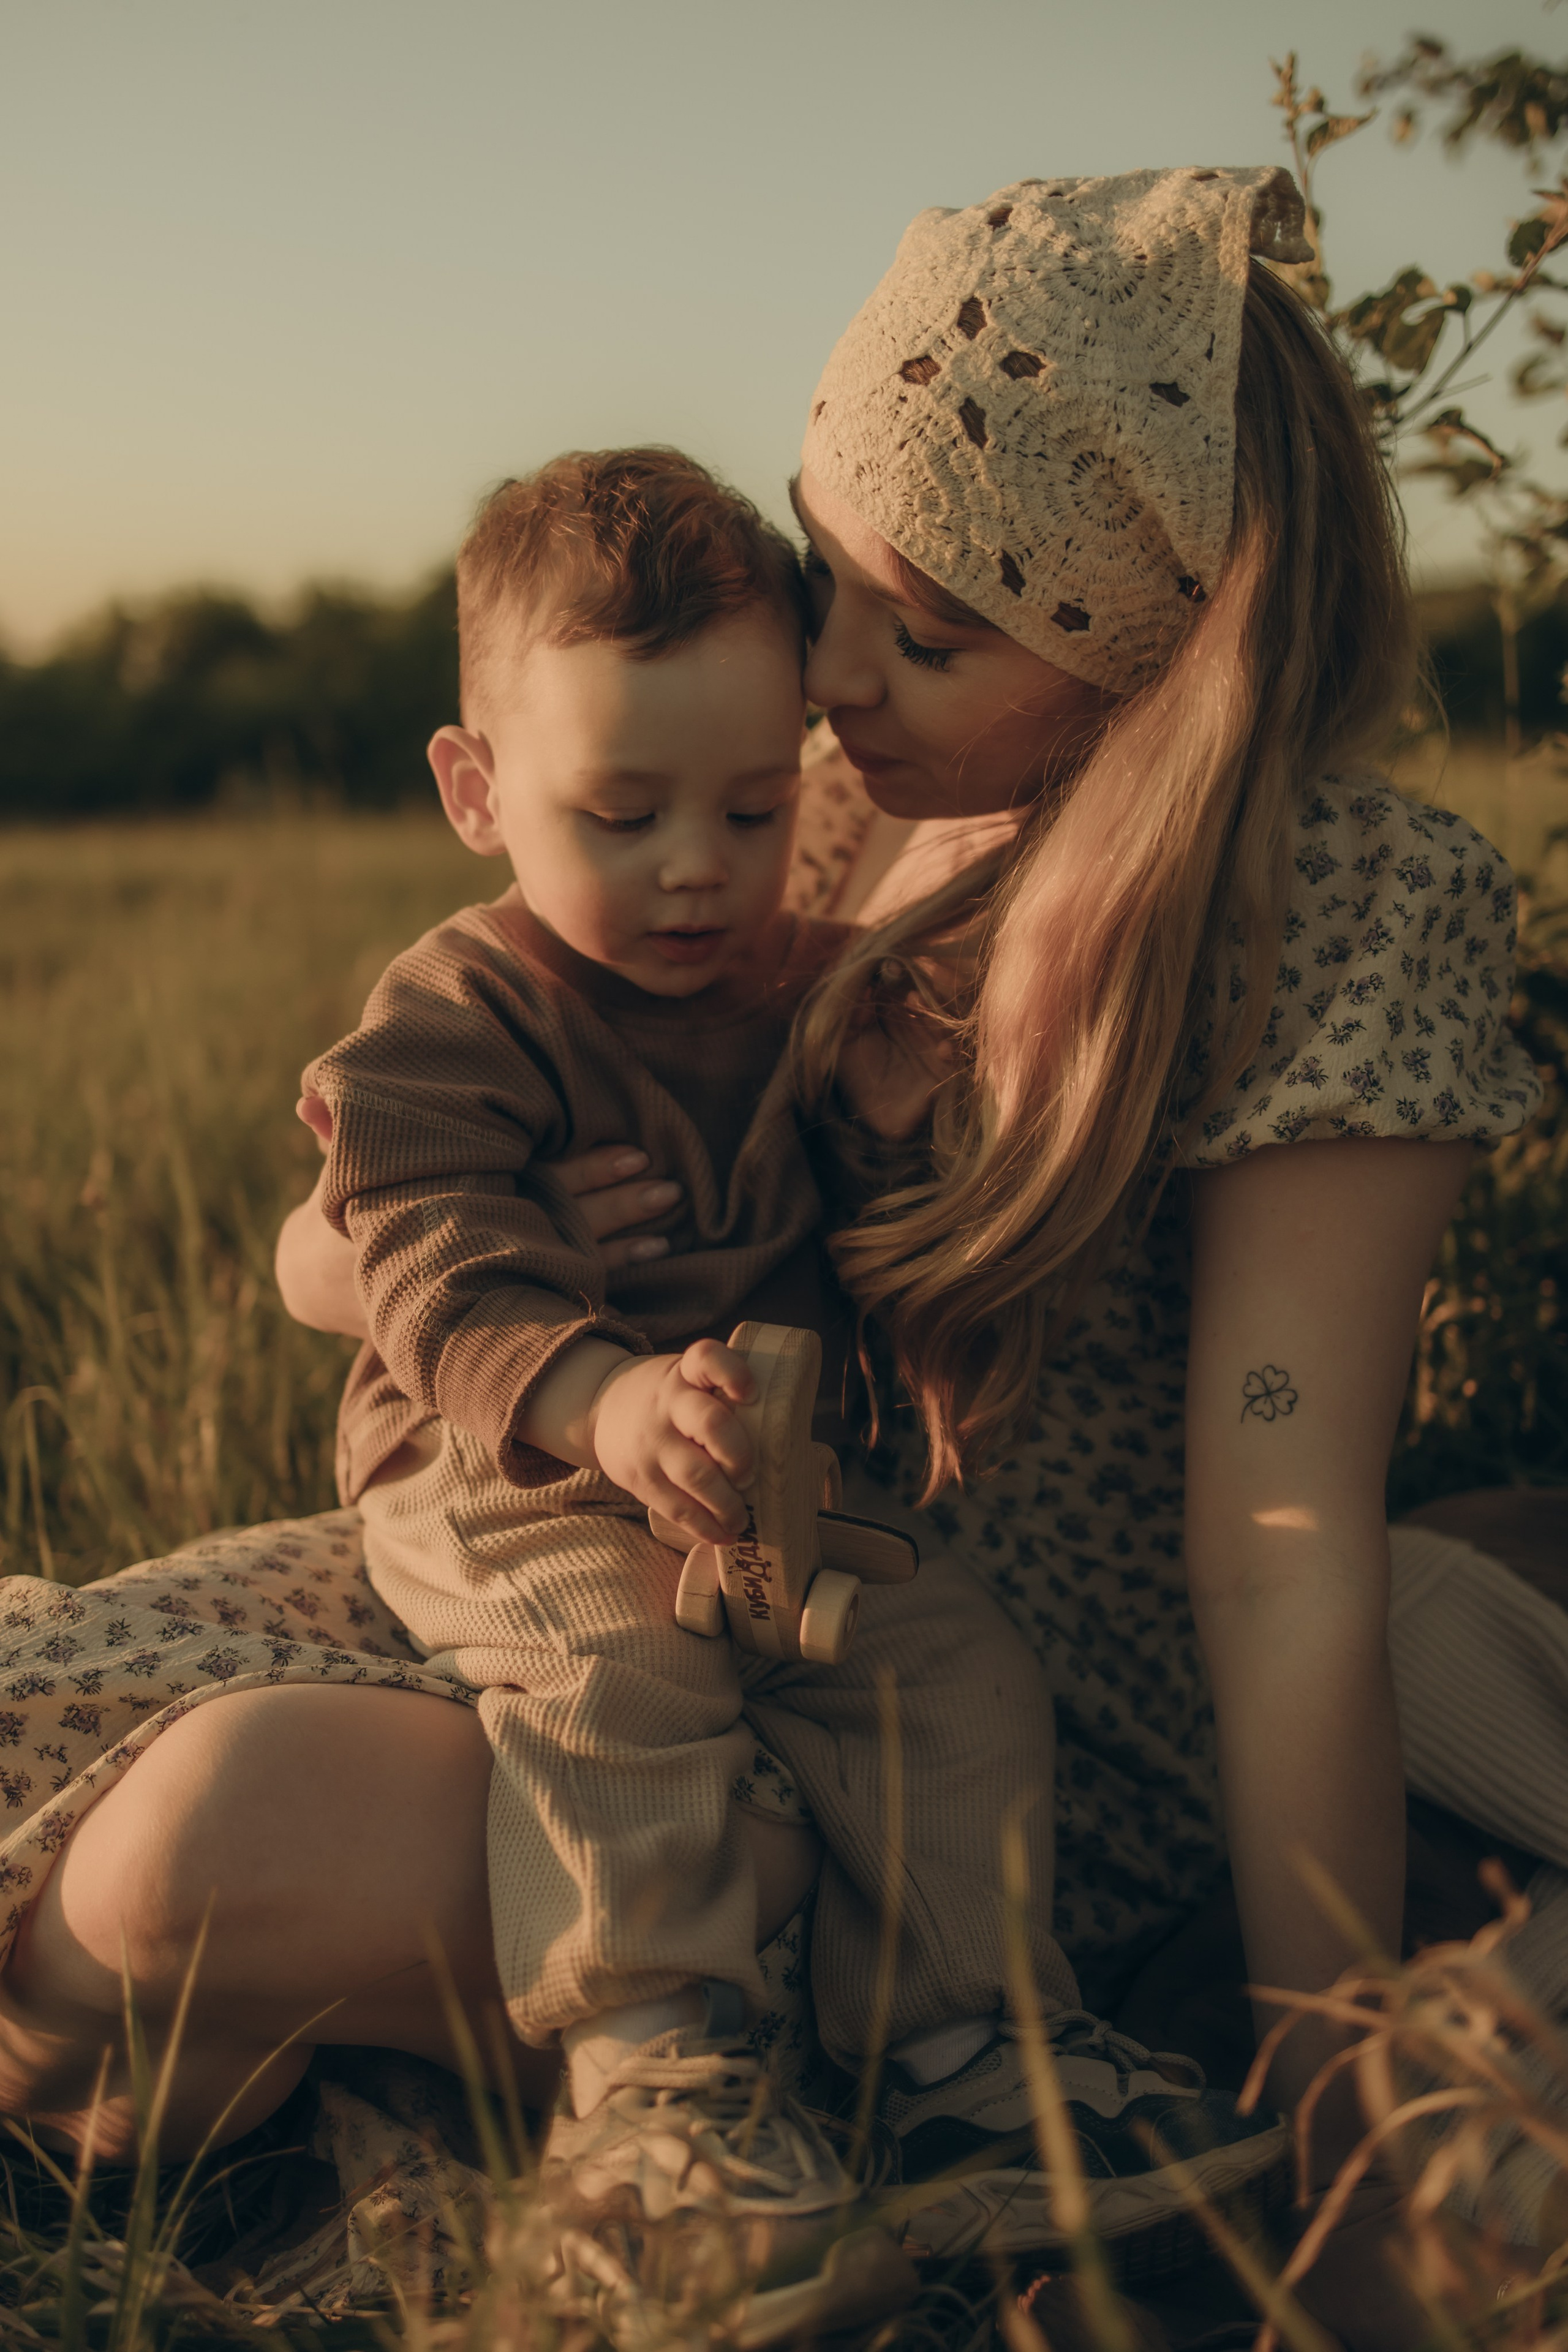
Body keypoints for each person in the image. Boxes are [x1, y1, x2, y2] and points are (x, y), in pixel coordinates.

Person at [0, 162, 1552, 2343]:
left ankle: (787, 2076)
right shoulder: (831, 796)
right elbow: (349, 1224)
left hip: (955, 1713)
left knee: (191, 1859)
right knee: (62, 1841)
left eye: (924, 630)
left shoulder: (1339, 902)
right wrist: (498, 1296)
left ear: (1145, 645)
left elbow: (1283, 1532)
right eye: (833, 578)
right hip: (630, 1513)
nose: (830, 677)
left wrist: (1331, 2042)